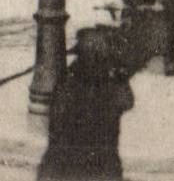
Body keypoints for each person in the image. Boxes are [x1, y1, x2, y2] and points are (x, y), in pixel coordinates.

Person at [38, 27, 135, 181]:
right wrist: (121, 78)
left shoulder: (69, 79)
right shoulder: (110, 82)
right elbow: (127, 102)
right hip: (99, 162)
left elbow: (56, 124)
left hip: (72, 163)